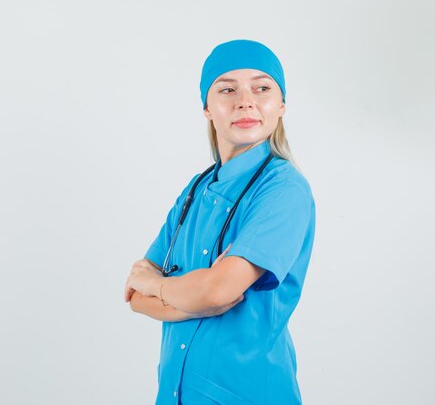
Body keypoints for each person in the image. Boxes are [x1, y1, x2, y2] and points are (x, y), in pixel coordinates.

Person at [124, 39, 316, 405]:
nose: (245, 101)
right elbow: (135, 296)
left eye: (262, 88)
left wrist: (162, 286)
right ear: (207, 109)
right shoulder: (195, 189)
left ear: (282, 106)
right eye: (227, 89)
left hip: (246, 393)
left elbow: (216, 291)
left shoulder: (283, 189)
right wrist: (194, 296)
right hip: (178, 393)